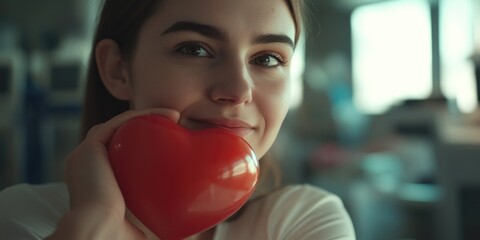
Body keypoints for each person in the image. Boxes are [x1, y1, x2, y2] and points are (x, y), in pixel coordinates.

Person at [0, 0, 356, 239]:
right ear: (118, 70)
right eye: (194, 49)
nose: (237, 90)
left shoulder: (305, 221)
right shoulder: (21, 218)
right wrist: (96, 225)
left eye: (267, 59)